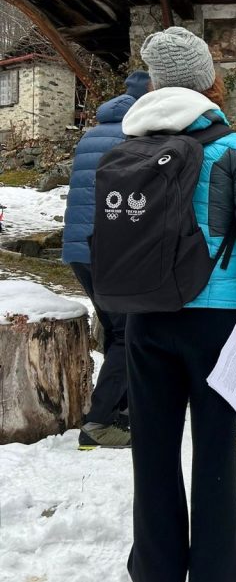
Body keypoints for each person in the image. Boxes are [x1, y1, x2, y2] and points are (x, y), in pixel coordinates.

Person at [121, 26, 236, 582]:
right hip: (215, 323)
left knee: (152, 450)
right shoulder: (232, 148)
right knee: (215, 450)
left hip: (146, 319)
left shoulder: (125, 143)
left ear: (155, 81)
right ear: (210, 79)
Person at [61, 70, 151, 450]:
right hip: (111, 251)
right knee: (127, 334)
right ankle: (98, 422)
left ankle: (124, 410)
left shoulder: (91, 134)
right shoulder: (136, 133)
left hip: (79, 249)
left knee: (119, 329)